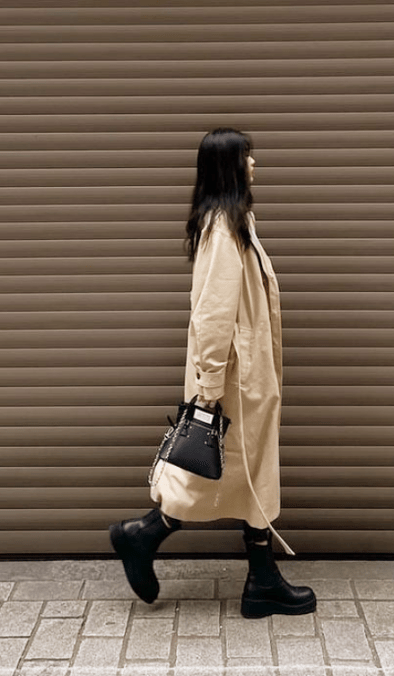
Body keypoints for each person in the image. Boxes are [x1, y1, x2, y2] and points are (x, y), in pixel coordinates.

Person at [110, 128, 316, 619]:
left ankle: (257, 579)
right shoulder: (223, 229)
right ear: (228, 165)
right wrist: (207, 389)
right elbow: (213, 314)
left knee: (244, 476)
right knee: (228, 472)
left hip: (244, 379)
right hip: (234, 384)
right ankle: (146, 535)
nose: (254, 166)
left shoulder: (234, 222)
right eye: (247, 158)